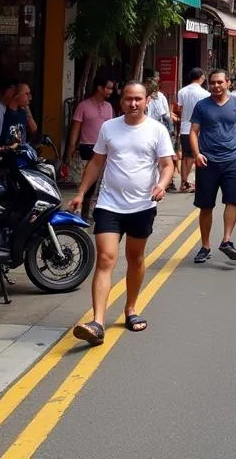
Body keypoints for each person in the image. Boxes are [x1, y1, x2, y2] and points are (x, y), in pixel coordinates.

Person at [71, 81, 175, 345]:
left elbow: (166, 165)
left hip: (142, 205)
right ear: (122, 101)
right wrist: (82, 192)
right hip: (109, 204)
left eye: (138, 99)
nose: (133, 104)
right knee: (105, 259)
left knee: (135, 258)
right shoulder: (109, 127)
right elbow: (96, 163)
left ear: (147, 101)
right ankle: (97, 322)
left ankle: (130, 308)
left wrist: (161, 185)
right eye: (128, 99)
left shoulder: (157, 130)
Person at [190, 69, 236, 264]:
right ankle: (205, 245)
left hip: (231, 160)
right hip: (207, 162)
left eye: (219, 82)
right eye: (212, 83)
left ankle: (226, 240)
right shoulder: (202, 106)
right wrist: (197, 154)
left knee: (232, 201)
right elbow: (193, 131)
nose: (216, 86)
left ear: (228, 83)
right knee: (206, 206)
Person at [62, 77, 114, 219]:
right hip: (86, 148)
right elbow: (75, 129)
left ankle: (93, 211)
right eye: (108, 88)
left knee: (100, 183)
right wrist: (70, 150)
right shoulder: (83, 106)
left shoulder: (108, 107)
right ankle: (81, 210)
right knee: (86, 182)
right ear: (99, 88)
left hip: (103, 150)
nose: (111, 91)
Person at [174, 68, 208, 193]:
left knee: (185, 157)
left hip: (184, 126)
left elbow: (180, 109)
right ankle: (186, 182)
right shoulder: (204, 93)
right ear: (201, 77)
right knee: (194, 156)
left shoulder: (182, 91)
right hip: (198, 128)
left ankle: (184, 182)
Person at [0, 83, 38, 148]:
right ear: (16, 95)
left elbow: (34, 129)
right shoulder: (3, 112)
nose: (30, 98)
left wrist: (26, 107)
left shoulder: (22, 113)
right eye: (26, 94)